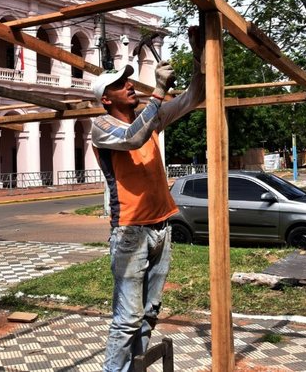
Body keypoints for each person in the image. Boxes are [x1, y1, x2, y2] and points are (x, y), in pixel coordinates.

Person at [92, 29, 205, 372]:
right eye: (120, 84)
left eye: (130, 80)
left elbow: (193, 97)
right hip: (130, 233)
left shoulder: (150, 121)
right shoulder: (101, 126)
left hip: (160, 229)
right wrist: (157, 92)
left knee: (149, 314)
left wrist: (200, 56)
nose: (130, 85)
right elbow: (131, 138)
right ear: (106, 98)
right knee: (127, 319)